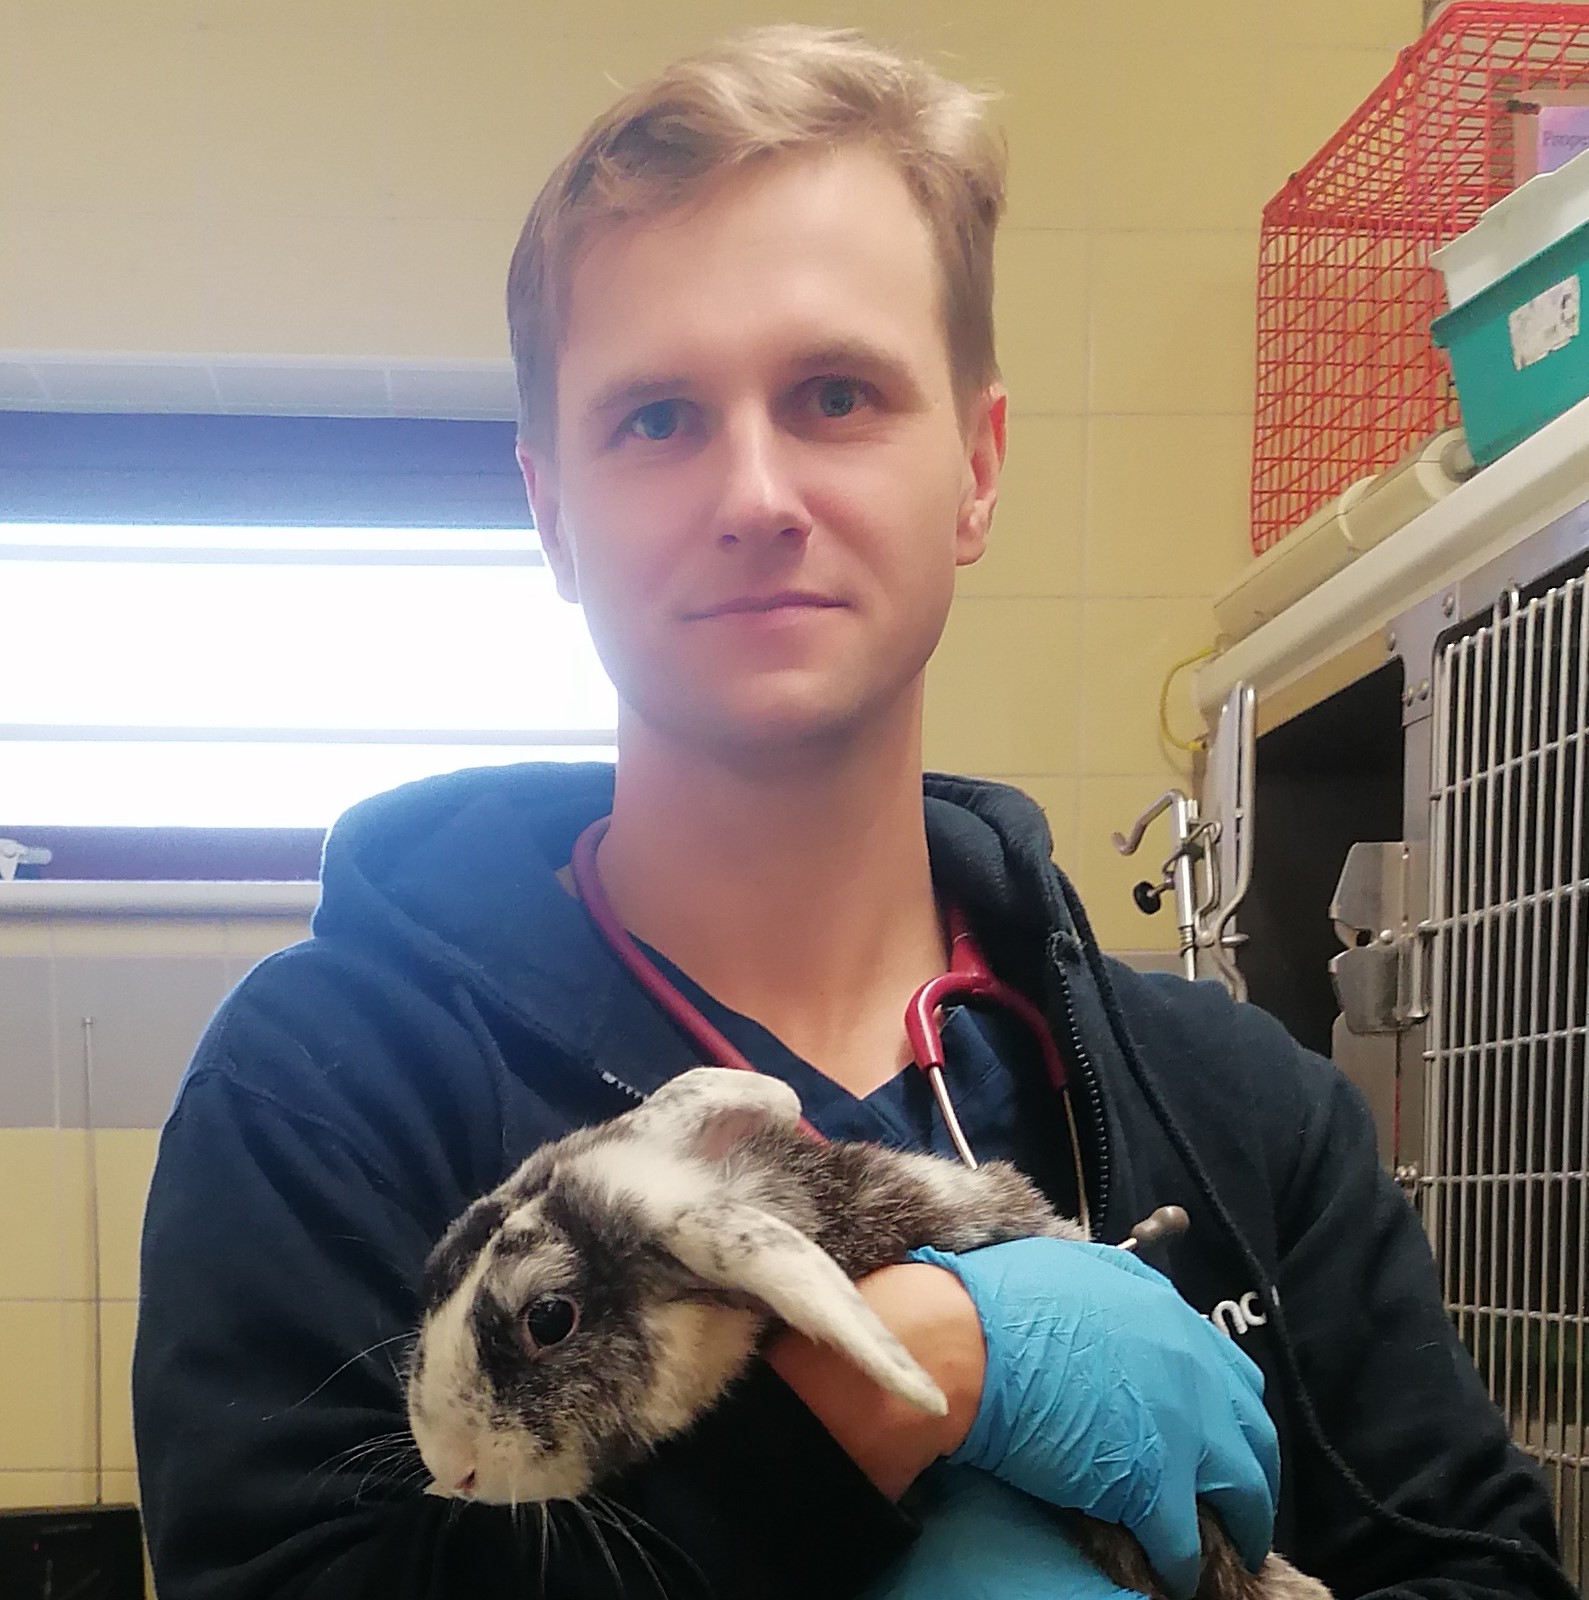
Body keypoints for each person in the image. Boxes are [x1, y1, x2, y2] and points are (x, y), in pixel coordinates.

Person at [132, 23, 1570, 1600]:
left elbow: (1481, 1568)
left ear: (976, 465)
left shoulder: (1242, 1115)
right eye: (657, 419)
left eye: (834, 392)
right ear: (552, 511)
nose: (754, 493)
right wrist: (915, 1379)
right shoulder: (328, 1087)